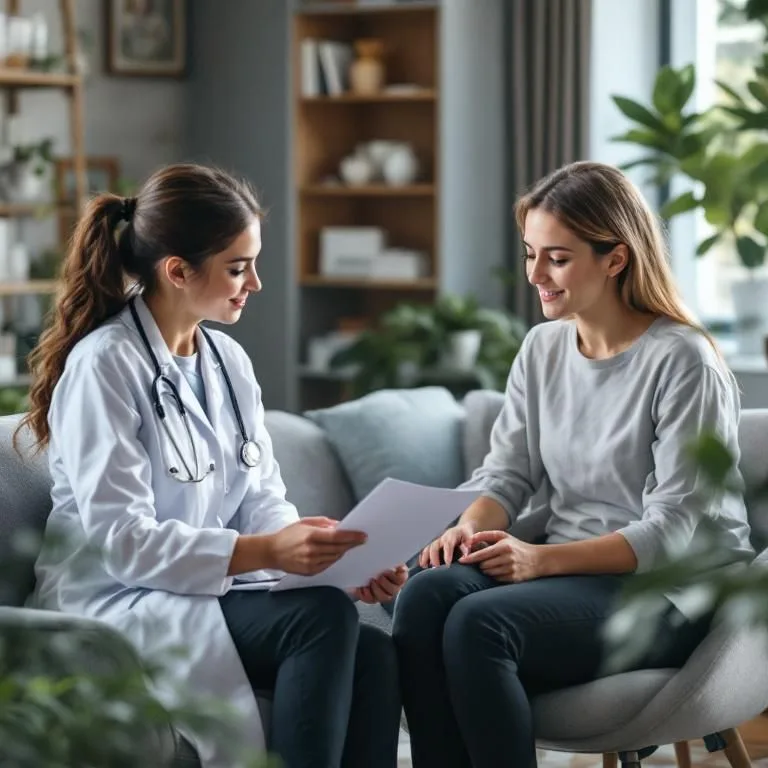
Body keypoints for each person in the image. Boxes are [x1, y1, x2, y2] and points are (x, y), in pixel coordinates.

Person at [18, 163, 407, 768]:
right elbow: (123, 544)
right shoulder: (105, 366)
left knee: (375, 655)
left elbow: (261, 497)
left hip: (204, 590)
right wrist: (272, 555)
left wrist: (327, 561)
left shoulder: (227, 360)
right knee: (322, 621)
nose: (254, 282)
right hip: (119, 601)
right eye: (238, 266)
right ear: (177, 271)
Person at [391, 161, 755, 768]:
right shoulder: (542, 348)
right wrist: (469, 527)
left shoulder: (684, 360)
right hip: (576, 574)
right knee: (426, 593)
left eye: (556, 258)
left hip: (673, 591)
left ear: (616, 258)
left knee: (480, 625)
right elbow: (505, 474)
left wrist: (536, 560)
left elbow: (671, 532)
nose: (535, 274)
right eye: (531, 253)